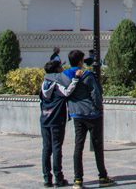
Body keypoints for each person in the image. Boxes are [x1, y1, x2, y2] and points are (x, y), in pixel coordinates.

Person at [65, 50, 113, 187]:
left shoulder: (66, 76)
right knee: (98, 146)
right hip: (92, 114)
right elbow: (95, 94)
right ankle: (103, 176)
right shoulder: (87, 75)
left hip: (76, 113)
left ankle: (77, 179)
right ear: (80, 61)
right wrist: (99, 108)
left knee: (78, 146)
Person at [40, 59, 80, 187]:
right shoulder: (56, 84)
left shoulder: (44, 84)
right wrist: (75, 80)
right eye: (60, 68)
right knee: (57, 147)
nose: (62, 69)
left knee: (47, 148)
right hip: (57, 119)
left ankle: (47, 178)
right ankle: (59, 178)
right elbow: (67, 92)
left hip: (45, 119)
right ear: (57, 70)